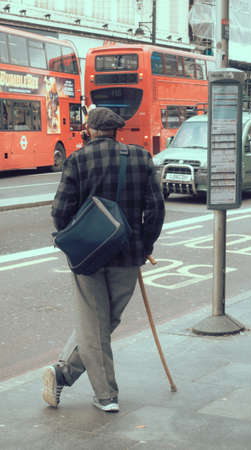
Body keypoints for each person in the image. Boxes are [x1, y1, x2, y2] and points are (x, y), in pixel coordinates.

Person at [42, 107, 165, 413]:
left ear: (90, 130)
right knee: (106, 322)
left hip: (88, 257)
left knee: (96, 324)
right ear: (116, 131)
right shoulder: (141, 158)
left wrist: (75, 238)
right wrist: (145, 243)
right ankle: (106, 393)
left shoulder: (77, 161)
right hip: (128, 254)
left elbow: (59, 212)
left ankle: (64, 373)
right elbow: (156, 209)